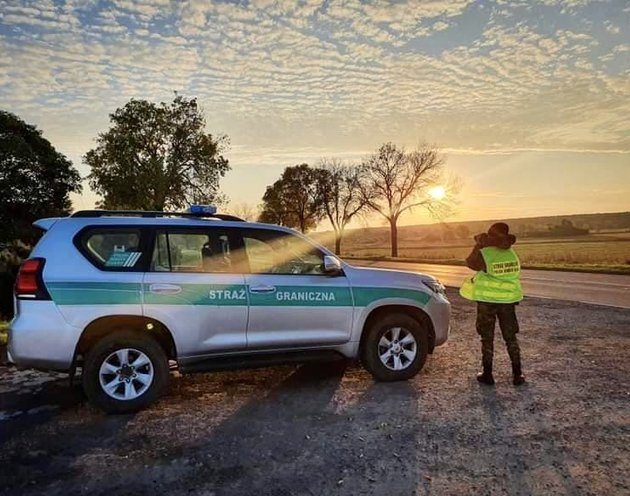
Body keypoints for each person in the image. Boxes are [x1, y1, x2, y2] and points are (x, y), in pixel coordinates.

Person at [460, 222, 525, 386]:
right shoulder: (511, 253)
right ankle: (518, 374)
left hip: (488, 302)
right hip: (508, 302)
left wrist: (478, 244)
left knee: (487, 338)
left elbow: (470, 263)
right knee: (511, 337)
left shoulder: (486, 253)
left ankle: (487, 374)